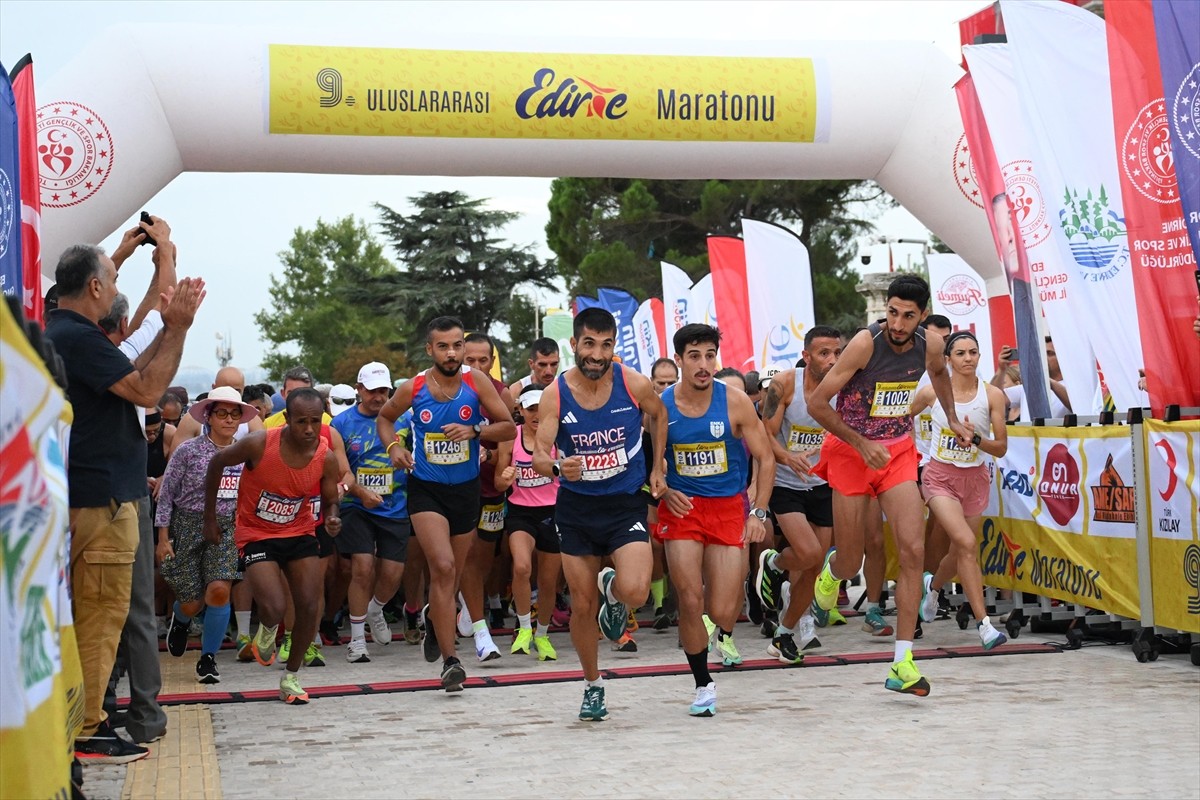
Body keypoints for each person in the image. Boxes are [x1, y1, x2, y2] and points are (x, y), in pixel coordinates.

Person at [45, 225, 205, 763]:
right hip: (101, 501)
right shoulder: (77, 337)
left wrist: (151, 267)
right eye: (112, 279)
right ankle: (88, 729)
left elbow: (134, 358)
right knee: (100, 617)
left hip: (87, 495)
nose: (116, 288)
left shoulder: (64, 331)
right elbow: (147, 388)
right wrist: (179, 328)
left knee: (94, 615)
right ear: (94, 287)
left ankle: (83, 718)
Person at [808, 275, 969, 697]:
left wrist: (952, 417)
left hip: (896, 452)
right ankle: (832, 574)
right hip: (851, 453)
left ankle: (902, 662)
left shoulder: (931, 344)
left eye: (908, 316)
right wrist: (861, 444)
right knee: (851, 562)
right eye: (892, 313)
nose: (897, 324)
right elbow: (817, 403)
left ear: (922, 315)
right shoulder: (866, 343)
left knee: (912, 552)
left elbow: (940, 374)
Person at [532, 307, 668, 722]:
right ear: (574, 344)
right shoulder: (556, 393)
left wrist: (658, 467)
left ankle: (614, 590)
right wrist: (559, 467)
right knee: (582, 605)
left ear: (614, 347)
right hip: (577, 508)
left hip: (624, 502)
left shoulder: (633, 383)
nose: (596, 354)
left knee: (637, 592)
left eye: (606, 345)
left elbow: (660, 414)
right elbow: (539, 455)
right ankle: (592, 684)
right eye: (589, 344)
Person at [376, 317, 516, 692]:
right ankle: (451, 662)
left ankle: (435, 621)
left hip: (466, 491)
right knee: (442, 566)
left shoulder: (476, 382)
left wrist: (475, 430)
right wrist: (394, 447)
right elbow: (385, 418)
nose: (451, 353)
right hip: (427, 490)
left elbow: (508, 426)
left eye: (456, 345)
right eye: (443, 346)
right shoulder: (414, 387)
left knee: (450, 578)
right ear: (430, 350)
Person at [658, 324, 774, 716]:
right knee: (690, 599)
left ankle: (713, 626)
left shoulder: (736, 402)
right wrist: (662, 490)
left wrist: (758, 511)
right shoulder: (661, 407)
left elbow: (766, 458)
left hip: (728, 507)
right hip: (683, 508)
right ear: (679, 360)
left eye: (710, 355)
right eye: (694, 356)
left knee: (723, 611)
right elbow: (650, 463)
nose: (704, 364)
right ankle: (702, 684)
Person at [202, 388, 343, 704]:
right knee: (275, 607)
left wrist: (333, 517)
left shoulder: (326, 457)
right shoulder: (259, 443)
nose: (309, 429)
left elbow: (331, 500)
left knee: (309, 606)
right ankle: (266, 629)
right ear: (287, 419)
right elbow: (217, 464)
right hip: (257, 533)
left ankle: (290, 677)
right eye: (301, 421)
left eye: (315, 421)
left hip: (299, 531)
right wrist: (209, 518)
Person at [910, 331, 1009, 648]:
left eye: (973, 352)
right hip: (939, 477)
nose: (968, 358)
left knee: (958, 552)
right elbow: (900, 419)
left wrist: (975, 438)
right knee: (966, 543)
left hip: (975, 480)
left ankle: (933, 588)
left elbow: (1001, 447)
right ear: (948, 359)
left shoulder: (993, 395)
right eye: (961, 353)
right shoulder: (931, 392)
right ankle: (985, 626)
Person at [757, 327, 849, 663]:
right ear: (806, 356)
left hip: (822, 484)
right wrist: (787, 457)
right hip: (786, 483)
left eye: (837, 352)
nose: (832, 360)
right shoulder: (784, 385)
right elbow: (764, 434)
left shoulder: (843, 387)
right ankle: (774, 562)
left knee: (813, 567)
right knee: (808, 553)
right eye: (824, 353)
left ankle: (783, 634)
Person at [157, 387, 259, 683]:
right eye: (222, 413)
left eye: (235, 414)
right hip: (188, 525)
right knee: (192, 602)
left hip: (226, 529)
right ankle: (181, 619)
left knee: (219, 591)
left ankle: (208, 659)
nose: (229, 420)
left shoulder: (245, 454)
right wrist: (163, 537)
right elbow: (166, 495)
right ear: (209, 418)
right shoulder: (188, 451)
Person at [330, 362, 412, 664]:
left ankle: (375, 609)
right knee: (362, 567)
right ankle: (356, 640)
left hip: (395, 505)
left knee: (392, 574)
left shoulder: (404, 419)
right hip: (357, 506)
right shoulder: (341, 424)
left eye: (384, 391)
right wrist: (360, 492)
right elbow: (341, 470)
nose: (378, 397)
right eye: (372, 391)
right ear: (359, 389)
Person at [456, 332, 515, 661]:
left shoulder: (501, 393)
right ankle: (471, 613)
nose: (477, 366)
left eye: (483, 360)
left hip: (490, 487)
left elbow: (506, 443)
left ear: (492, 362)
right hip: (455, 487)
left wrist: (492, 461)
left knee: (484, 557)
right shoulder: (447, 389)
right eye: (470, 360)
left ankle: (469, 601)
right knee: (463, 555)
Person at [493, 384, 561, 661]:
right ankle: (523, 628)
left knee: (548, 581)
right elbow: (498, 483)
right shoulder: (511, 438)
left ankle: (542, 634)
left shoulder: (559, 436)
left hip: (553, 512)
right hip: (521, 512)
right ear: (520, 410)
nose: (536, 414)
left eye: (540, 408)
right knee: (521, 567)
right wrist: (505, 479)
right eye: (531, 408)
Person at [647, 356, 679, 630]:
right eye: (661, 383)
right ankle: (659, 603)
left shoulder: (687, 408)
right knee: (655, 545)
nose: (666, 388)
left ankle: (676, 602)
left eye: (672, 382)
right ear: (652, 383)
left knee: (677, 547)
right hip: (649, 488)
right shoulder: (645, 411)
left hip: (682, 488)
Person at [509, 337, 561, 413]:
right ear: (531, 364)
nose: (548, 371)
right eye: (542, 365)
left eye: (554, 364)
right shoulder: (516, 390)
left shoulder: (566, 389)